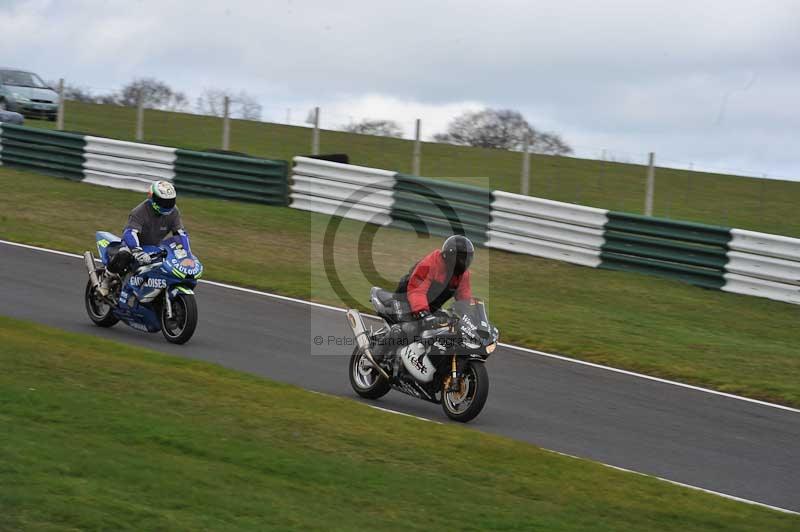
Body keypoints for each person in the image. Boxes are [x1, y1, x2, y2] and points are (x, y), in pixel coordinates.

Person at [373, 235, 475, 367]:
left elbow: (465, 299)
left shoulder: (462, 275)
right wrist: (422, 312)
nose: (464, 262)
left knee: (448, 330)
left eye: (467, 258)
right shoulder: (431, 263)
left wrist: (471, 320)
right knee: (409, 328)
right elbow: (417, 290)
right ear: (451, 256)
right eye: (462, 258)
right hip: (405, 300)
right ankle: (376, 355)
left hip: (430, 307)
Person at [98, 180, 192, 296]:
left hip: (155, 247)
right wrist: (137, 251)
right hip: (133, 246)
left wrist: (187, 253)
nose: (166, 205)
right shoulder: (140, 211)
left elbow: (180, 233)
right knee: (124, 255)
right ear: (152, 197)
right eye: (162, 201)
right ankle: (106, 280)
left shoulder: (174, 212)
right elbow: (130, 233)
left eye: (170, 201)